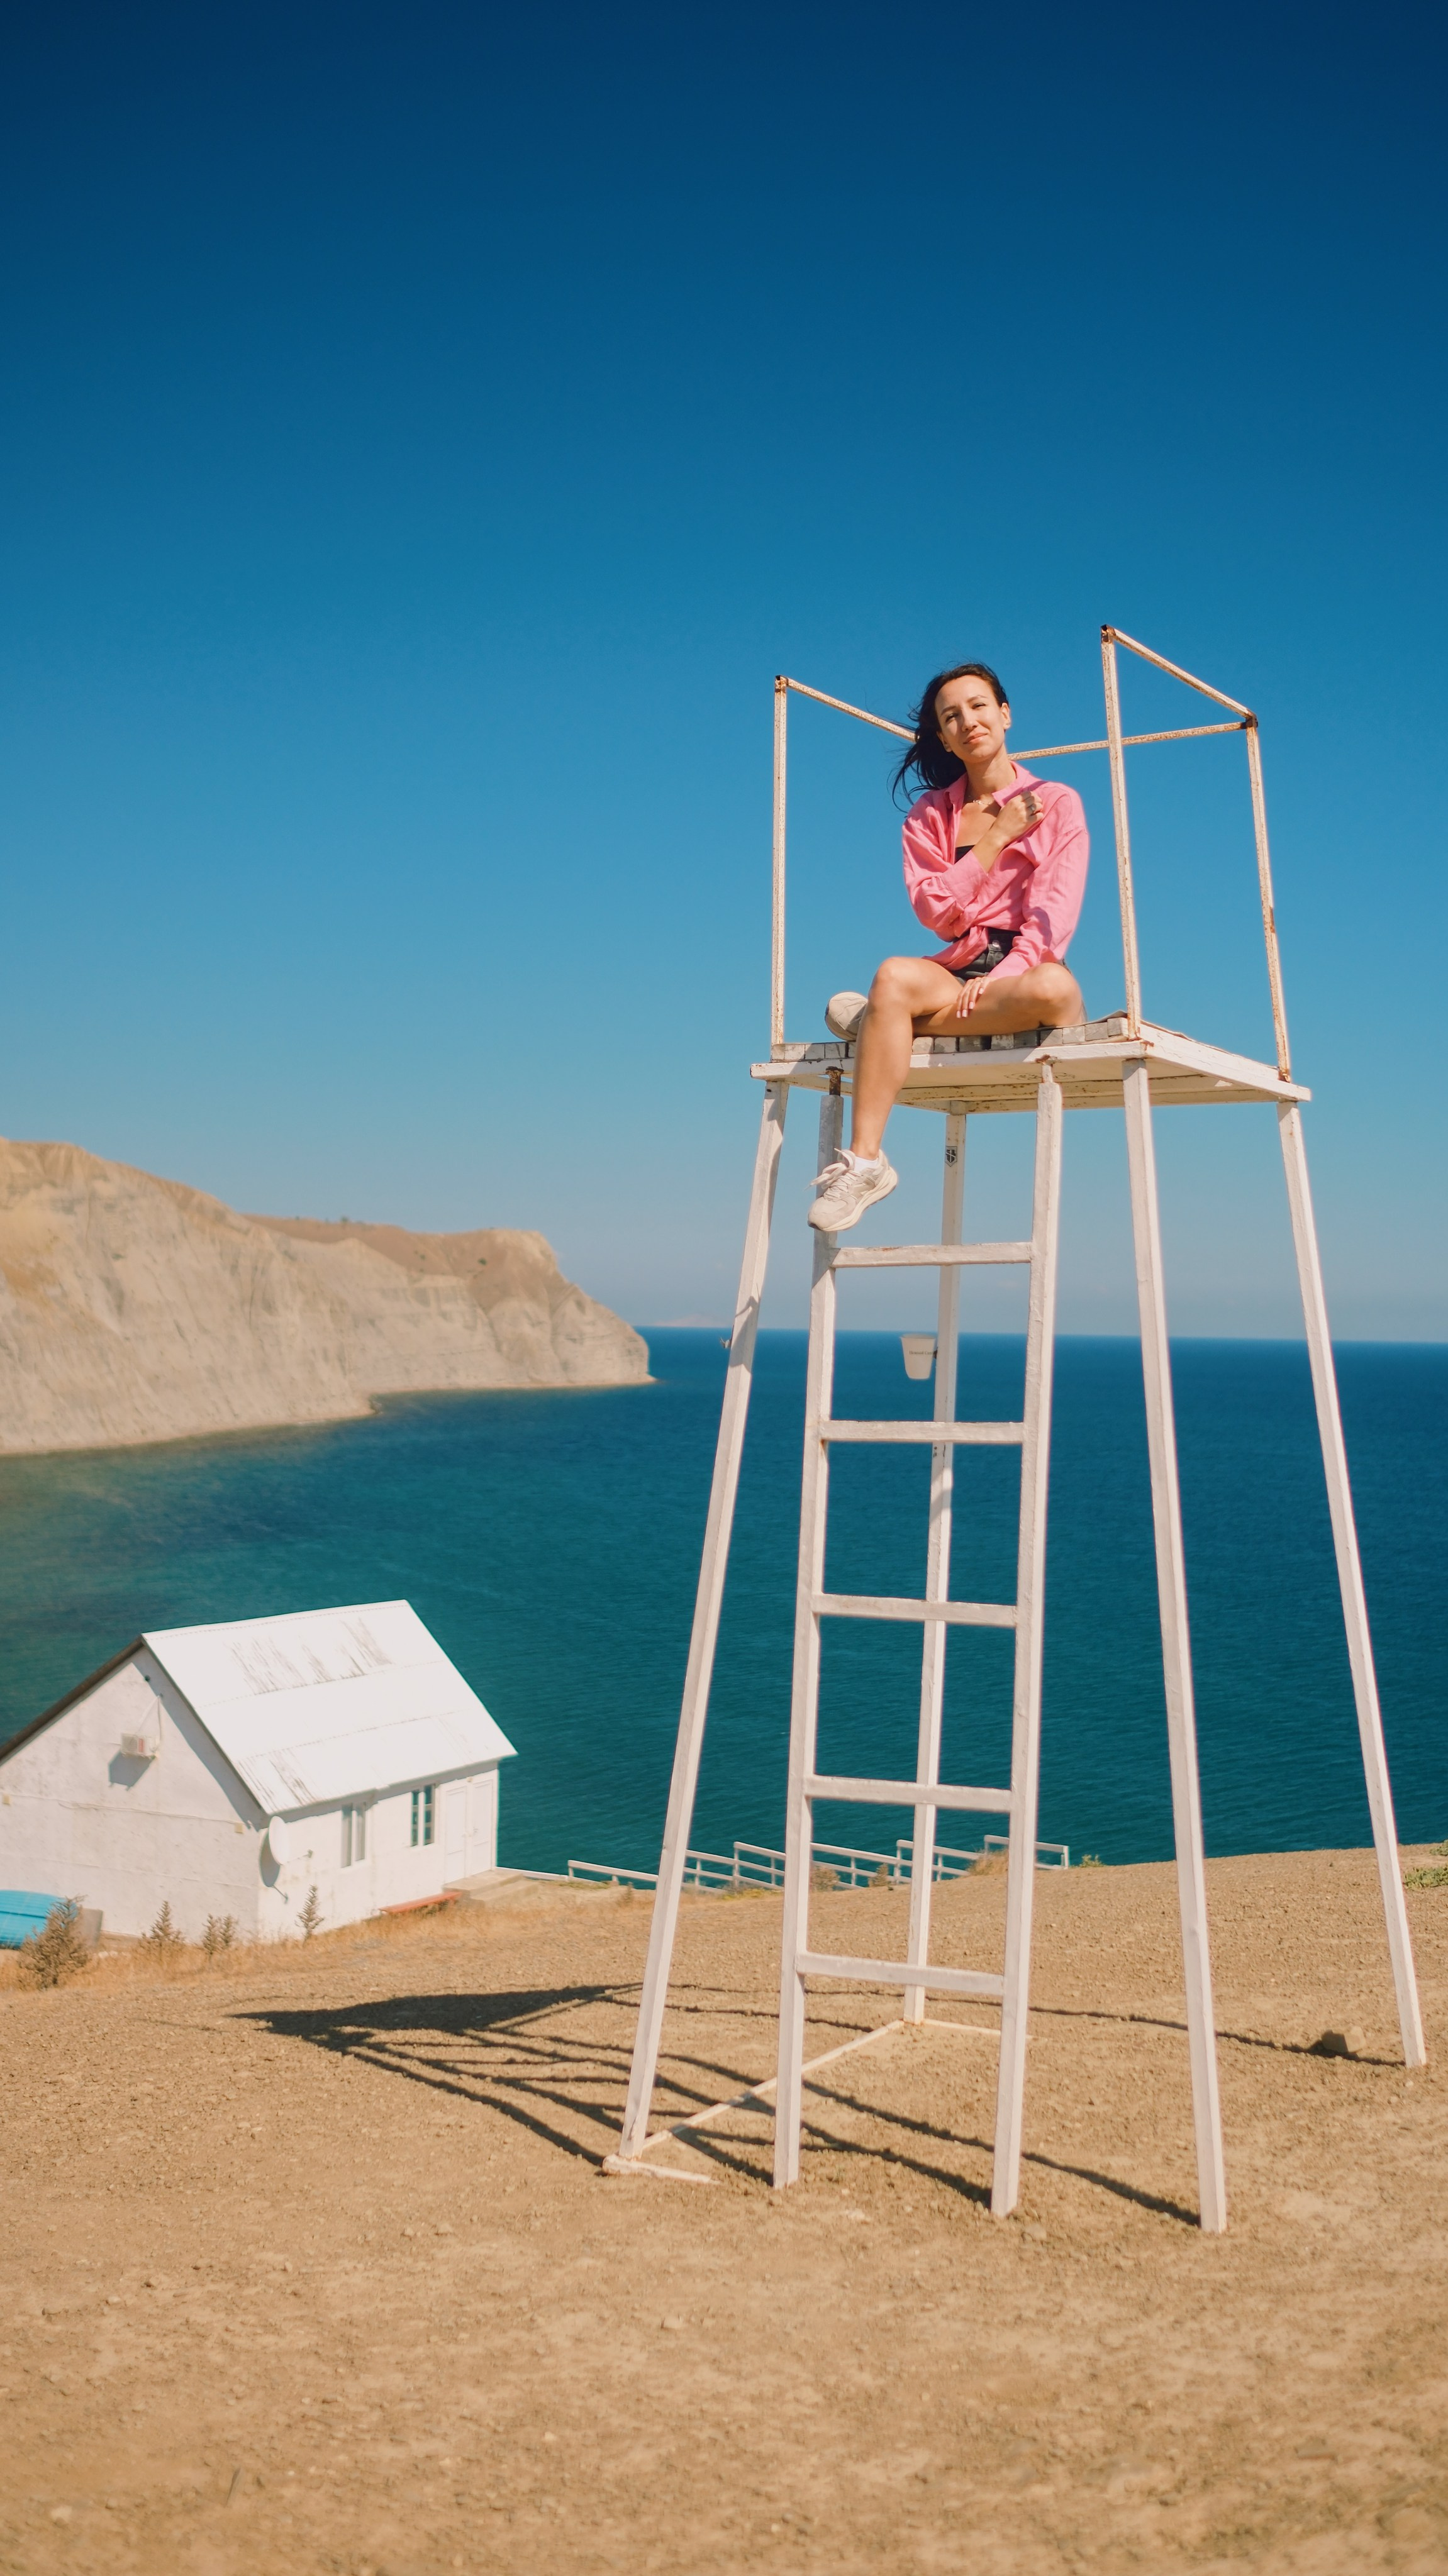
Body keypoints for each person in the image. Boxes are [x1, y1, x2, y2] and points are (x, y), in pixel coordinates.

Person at [808, 661, 1088, 1233]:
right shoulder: (929, 815)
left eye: (979, 706)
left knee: (1053, 985)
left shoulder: (1057, 801)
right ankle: (865, 1163)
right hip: (960, 966)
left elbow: (1055, 914)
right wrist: (995, 838)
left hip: (1027, 969)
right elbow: (938, 913)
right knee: (892, 975)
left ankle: (886, 1024)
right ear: (942, 736)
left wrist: (1008, 971)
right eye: (951, 716)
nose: (969, 722)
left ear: (1005, 713)